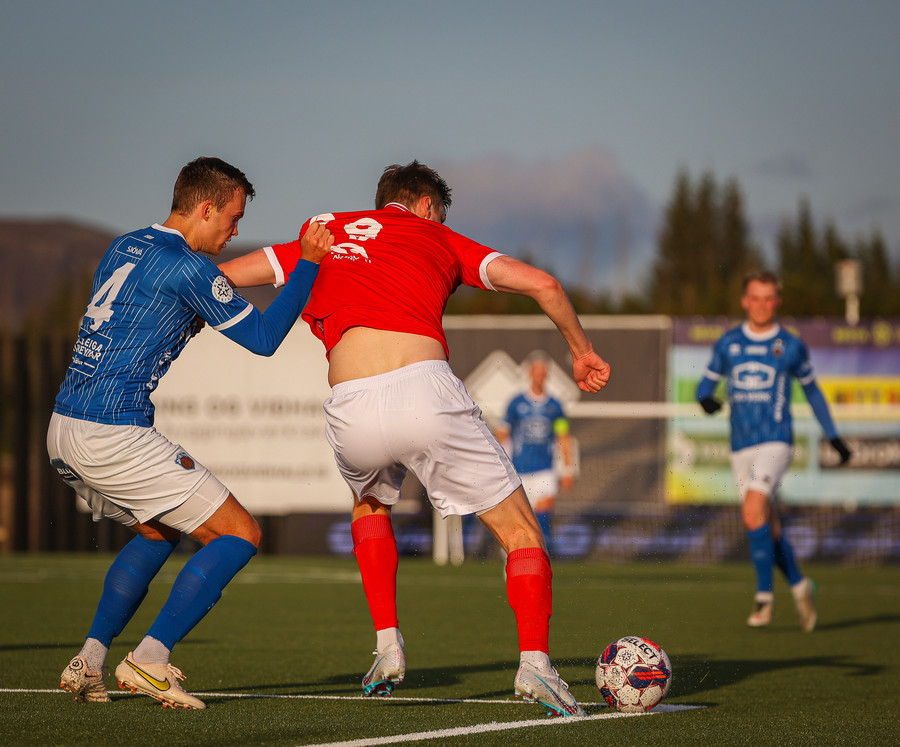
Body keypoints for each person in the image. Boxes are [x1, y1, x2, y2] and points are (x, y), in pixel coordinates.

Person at [220, 160, 611, 718]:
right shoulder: (439, 237)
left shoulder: (324, 231)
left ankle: (387, 646)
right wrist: (581, 350)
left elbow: (225, 277)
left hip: (350, 402)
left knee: (368, 504)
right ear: (427, 205)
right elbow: (544, 284)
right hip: (424, 391)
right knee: (522, 533)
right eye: (440, 212)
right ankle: (535, 665)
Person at [51, 156, 333, 708]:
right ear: (205, 208)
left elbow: (144, 316)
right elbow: (264, 338)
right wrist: (308, 264)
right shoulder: (187, 266)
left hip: (63, 426)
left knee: (159, 531)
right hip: (111, 431)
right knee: (240, 534)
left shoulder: (126, 245)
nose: (235, 232)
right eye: (233, 218)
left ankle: (89, 661)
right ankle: (151, 658)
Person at [695, 270, 851, 632]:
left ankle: (764, 600)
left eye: (769, 298)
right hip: (740, 446)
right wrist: (706, 400)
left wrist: (833, 435)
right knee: (767, 526)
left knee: (752, 513)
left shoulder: (791, 346)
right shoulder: (728, 343)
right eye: (756, 298)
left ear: (777, 302)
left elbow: (812, 391)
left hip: (777, 440)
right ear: (744, 301)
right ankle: (800, 585)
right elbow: (705, 386)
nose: (762, 305)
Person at [496, 351, 575, 556]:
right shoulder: (516, 404)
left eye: (543, 372)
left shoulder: (554, 406)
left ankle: (542, 560)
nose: (540, 376)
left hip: (544, 470)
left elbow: (563, 437)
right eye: (536, 372)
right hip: (519, 471)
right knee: (519, 524)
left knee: (542, 521)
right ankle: (512, 562)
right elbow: (502, 433)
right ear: (530, 373)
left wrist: (568, 469)